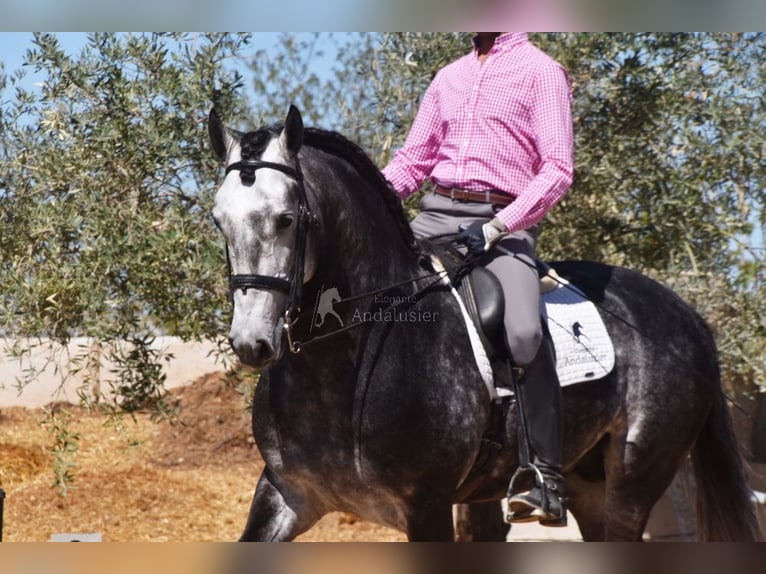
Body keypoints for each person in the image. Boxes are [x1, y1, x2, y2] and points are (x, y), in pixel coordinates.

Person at [382, 32, 574, 526]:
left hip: (501, 222)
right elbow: (412, 161)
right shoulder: (449, 75)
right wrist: (364, 195)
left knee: (524, 332)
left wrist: (498, 226)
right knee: (368, 296)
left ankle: (546, 480)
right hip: (431, 215)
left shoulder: (541, 72)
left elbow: (557, 171)